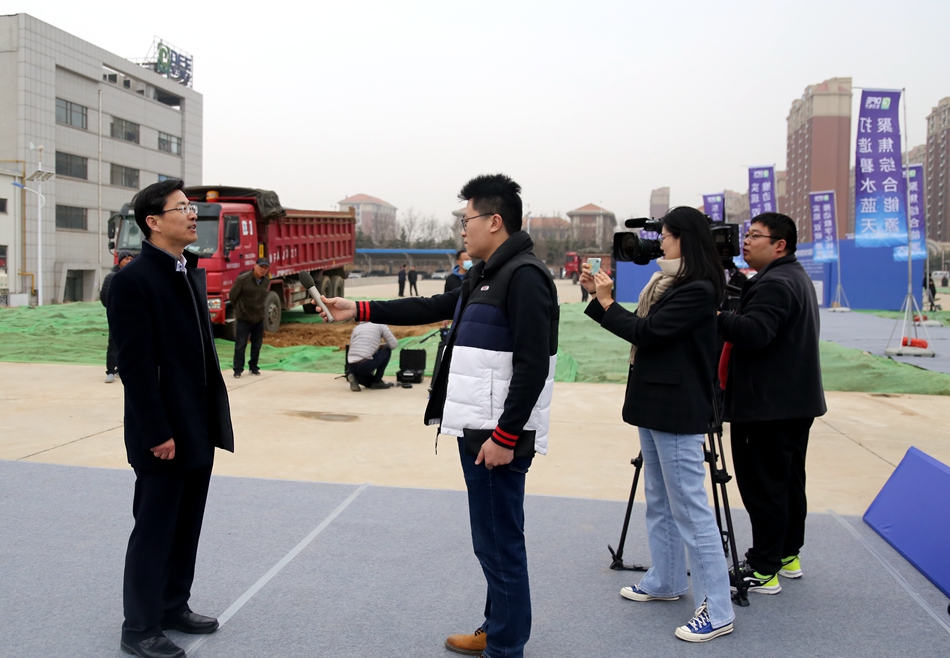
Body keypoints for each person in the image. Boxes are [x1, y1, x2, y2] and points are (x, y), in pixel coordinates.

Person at [315, 174, 558, 658]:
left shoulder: (525, 276)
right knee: (490, 540)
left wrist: (506, 436)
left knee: (501, 543)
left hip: (496, 435)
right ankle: (496, 628)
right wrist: (359, 308)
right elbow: (433, 305)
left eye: (466, 219)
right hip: (477, 427)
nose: (461, 228)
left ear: (495, 220)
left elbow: (533, 365)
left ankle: (506, 647)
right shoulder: (485, 273)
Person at [580, 206, 735, 643]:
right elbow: (645, 327)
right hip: (655, 403)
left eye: (665, 236)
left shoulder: (699, 288)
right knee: (661, 498)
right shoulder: (670, 282)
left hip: (678, 408)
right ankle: (666, 579)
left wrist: (607, 302)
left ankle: (717, 609)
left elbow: (648, 333)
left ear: (684, 239)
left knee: (689, 506)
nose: (659, 243)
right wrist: (599, 298)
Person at [107, 178, 234, 658]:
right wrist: (157, 432)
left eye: (191, 206)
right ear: (154, 222)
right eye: (181, 208)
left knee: (186, 525)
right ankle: (139, 628)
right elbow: (136, 368)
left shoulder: (186, 271)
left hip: (196, 425)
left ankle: (172, 605)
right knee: (155, 529)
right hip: (162, 433)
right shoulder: (134, 280)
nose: (192, 214)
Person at [717, 212, 826, 595]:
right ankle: (786, 555)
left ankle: (764, 567)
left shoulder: (775, 284)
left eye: (755, 235)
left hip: (767, 406)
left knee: (764, 488)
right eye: (746, 234)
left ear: (780, 245)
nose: (746, 241)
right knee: (788, 482)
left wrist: (717, 316)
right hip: (793, 402)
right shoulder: (793, 276)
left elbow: (755, 333)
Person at [229, 258, 271, 378]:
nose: (263, 270)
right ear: (255, 266)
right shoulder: (243, 279)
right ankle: (238, 369)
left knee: (257, 345)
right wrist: (240, 309)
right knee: (241, 344)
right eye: (261, 267)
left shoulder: (265, 281)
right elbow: (232, 295)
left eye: (265, 268)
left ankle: (254, 367)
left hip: (259, 318)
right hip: (244, 318)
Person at [101, 249, 134, 383]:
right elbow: (104, 295)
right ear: (119, 262)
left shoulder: (135, 275)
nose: (129, 261)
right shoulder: (112, 277)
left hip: (131, 316)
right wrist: (114, 309)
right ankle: (110, 371)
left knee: (128, 343)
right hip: (116, 315)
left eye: (131, 259)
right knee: (113, 343)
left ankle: (122, 369)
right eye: (126, 259)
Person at [346, 322, 398, 391]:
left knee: (370, 383)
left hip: (351, 366)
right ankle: (377, 381)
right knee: (387, 350)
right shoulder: (380, 325)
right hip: (365, 365)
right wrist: (383, 346)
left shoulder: (357, 328)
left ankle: (353, 377)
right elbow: (394, 344)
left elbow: (352, 345)